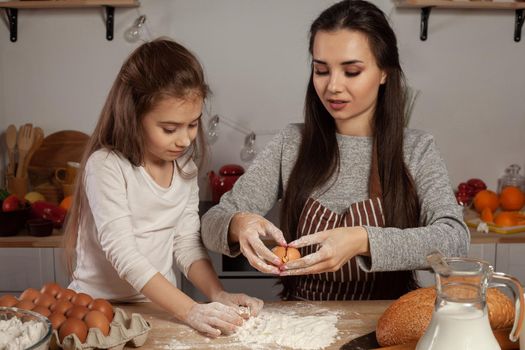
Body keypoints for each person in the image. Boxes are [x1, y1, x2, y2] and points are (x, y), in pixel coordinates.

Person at [201, 0, 469, 301]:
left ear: (385, 73)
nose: (333, 87)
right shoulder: (291, 144)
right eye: (321, 70)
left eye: (351, 71)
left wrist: (362, 240)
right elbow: (212, 223)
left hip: (388, 320)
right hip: (302, 322)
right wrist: (239, 224)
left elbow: (454, 240)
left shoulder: (416, 149)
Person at [63, 38, 263, 337]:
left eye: (193, 125)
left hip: (159, 307)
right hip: (95, 307)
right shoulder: (106, 166)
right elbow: (124, 255)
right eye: (169, 129)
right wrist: (191, 310)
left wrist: (217, 295)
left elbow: (186, 244)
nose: (184, 140)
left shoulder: (185, 168)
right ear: (134, 116)